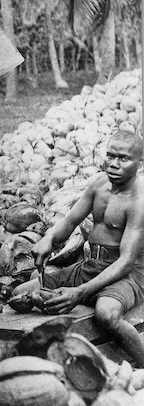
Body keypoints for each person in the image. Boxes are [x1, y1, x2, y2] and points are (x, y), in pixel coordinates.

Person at [13, 130, 144, 367]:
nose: (114, 164)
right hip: (89, 266)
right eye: (110, 156)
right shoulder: (98, 183)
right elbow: (70, 221)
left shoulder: (139, 200)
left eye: (123, 159)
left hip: (128, 274)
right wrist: (48, 239)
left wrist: (80, 292)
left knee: (107, 313)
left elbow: (125, 261)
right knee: (20, 293)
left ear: (140, 163)